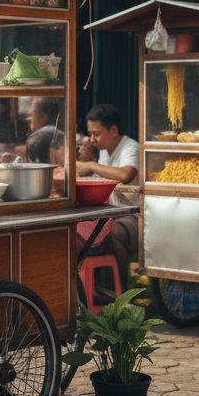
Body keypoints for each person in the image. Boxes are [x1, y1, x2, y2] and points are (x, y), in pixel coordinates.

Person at [75, 104, 140, 287]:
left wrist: (91, 166)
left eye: (97, 134)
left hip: (135, 217)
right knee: (82, 231)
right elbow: (100, 180)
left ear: (113, 130)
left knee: (108, 233)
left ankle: (120, 297)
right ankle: (92, 294)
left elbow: (126, 175)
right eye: (90, 134)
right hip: (114, 214)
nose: (92, 140)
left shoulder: (131, 148)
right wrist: (87, 164)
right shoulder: (103, 152)